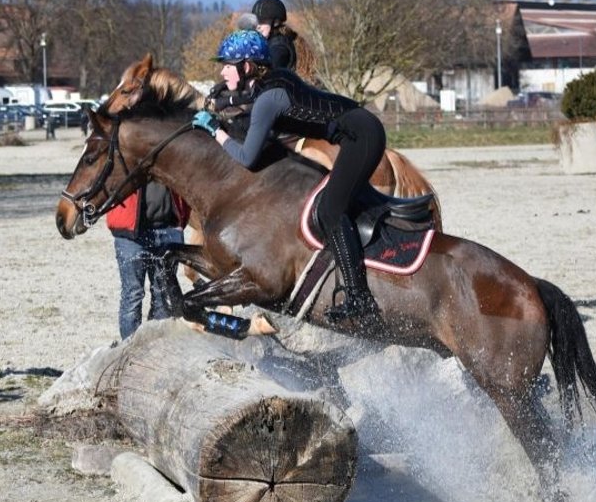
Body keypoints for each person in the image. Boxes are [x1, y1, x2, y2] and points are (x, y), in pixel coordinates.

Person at [191, 30, 387, 331]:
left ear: (247, 67)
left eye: (228, 65)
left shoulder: (269, 98)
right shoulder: (267, 87)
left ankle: (360, 298)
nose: (222, 71)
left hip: (361, 135)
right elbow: (246, 115)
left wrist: (214, 132)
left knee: (330, 210)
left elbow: (247, 158)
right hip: (357, 130)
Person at [105, 180, 190, 339]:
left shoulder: (167, 155)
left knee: (163, 297)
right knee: (133, 295)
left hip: (168, 230)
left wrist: (181, 218)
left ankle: (154, 350)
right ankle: (130, 353)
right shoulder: (124, 155)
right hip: (131, 236)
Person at [251, 0, 298, 72]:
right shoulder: (267, 42)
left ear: (276, 23)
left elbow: (271, 66)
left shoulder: (279, 46)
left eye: (262, 22)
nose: (258, 26)